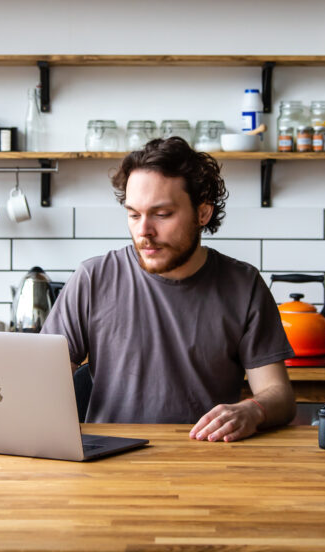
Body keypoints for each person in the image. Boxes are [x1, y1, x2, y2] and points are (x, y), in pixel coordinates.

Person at [41, 136, 296, 442]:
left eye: (161, 215)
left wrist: (253, 410)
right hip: (107, 464)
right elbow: (42, 382)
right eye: (134, 214)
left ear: (203, 213)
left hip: (206, 457)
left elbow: (279, 395)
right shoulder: (92, 279)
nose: (143, 231)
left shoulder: (244, 285)